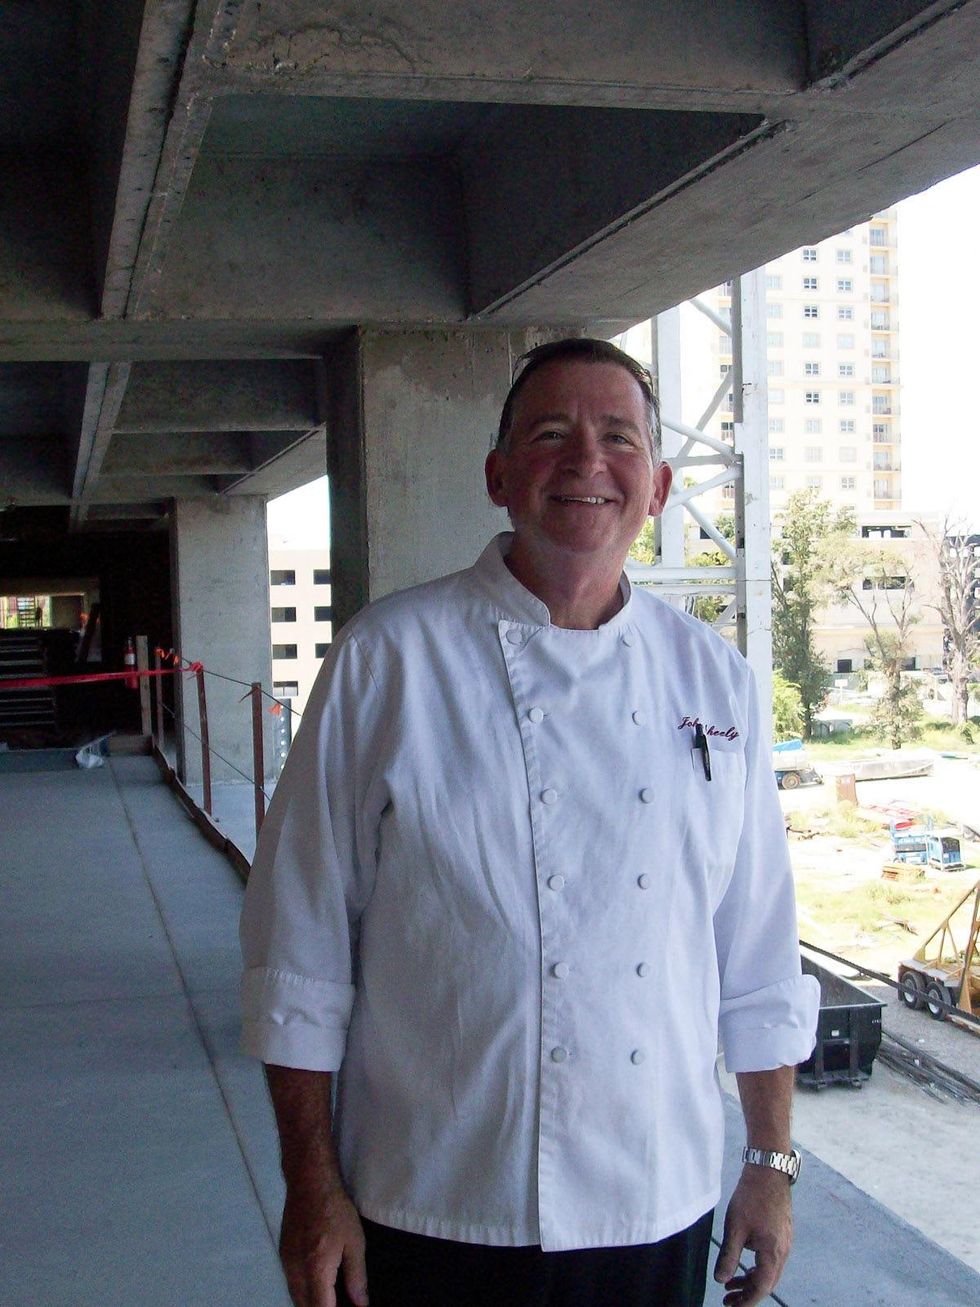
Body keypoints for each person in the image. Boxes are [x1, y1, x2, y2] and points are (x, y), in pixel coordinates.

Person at [240, 337, 819, 1307]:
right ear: (498, 475)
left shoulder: (714, 678)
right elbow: (298, 946)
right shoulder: (387, 658)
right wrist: (311, 1183)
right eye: (549, 434)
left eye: (616, 437)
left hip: (654, 1197)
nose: (586, 462)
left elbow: (754, 943)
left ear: (659, 484)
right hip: (430, 1195)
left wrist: (768, 1159)